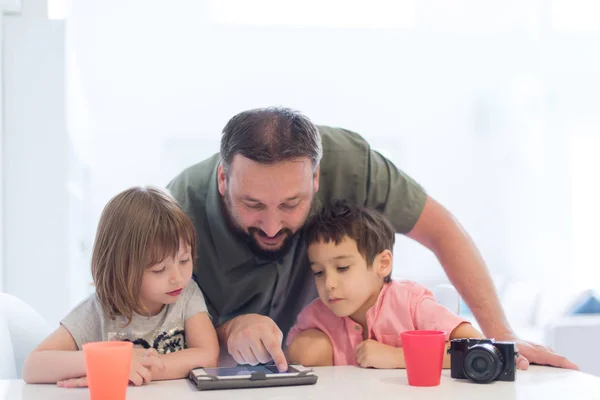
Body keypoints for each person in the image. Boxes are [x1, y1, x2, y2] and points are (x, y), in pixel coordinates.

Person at [167, 106, 577, 372]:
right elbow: (156, 329)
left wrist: (502, 338)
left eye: (292, 204)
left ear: (317, 179)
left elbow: (441, 230)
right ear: (223, 179)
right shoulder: (176, 208)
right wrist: (228, 330)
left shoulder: (353, 163)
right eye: (252, 204)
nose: (272, 226)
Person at [22, 186, 219, 386]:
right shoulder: (99, 309)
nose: (178, 278)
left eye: (184, 260)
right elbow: (33, 366)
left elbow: (208, 355)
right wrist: (106, 363)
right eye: (159, 269)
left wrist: (142, 368)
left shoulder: (187, 295)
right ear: (122, 269)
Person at [285, 201, 483, 368]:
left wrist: (398, 357)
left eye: (343, 267)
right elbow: (290, 360)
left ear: (383, 264)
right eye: (319, 272)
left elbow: (475, 346)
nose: (329, 284)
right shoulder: (316, 316)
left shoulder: (410, 303)